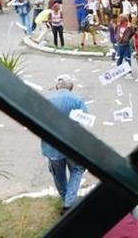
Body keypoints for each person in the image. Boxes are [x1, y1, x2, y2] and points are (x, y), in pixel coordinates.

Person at [42, 76, 87, 214]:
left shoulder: (47, 101)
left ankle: (67, 201)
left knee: (58, 175)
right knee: (77, 170)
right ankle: (69, 202)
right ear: (71, 87)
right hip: (73, 144)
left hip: (52, 147)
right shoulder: (78, 100)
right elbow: (85, 121)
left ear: (57, 87)